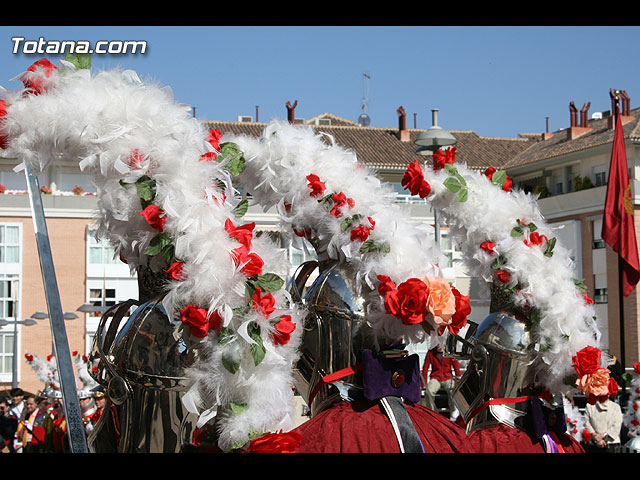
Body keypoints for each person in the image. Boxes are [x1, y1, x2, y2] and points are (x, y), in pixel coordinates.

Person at [421, 344, 461, 418]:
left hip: (447, 377)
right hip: (436, 377)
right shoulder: (431, 352)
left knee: (453, 390)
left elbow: (456, 365)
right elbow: (425, 368)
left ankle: (454, 409)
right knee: (428, 391)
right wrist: (424, 384)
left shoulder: (449, 352)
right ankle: (431, 411)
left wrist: (458, 379)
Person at [583, 379, 623, 452]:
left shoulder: (615, 407)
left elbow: (617, 425)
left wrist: (597, 436)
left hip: (605, 443)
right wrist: (600, 436)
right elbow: (586, 423)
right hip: (606, 443)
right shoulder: (590, 406)